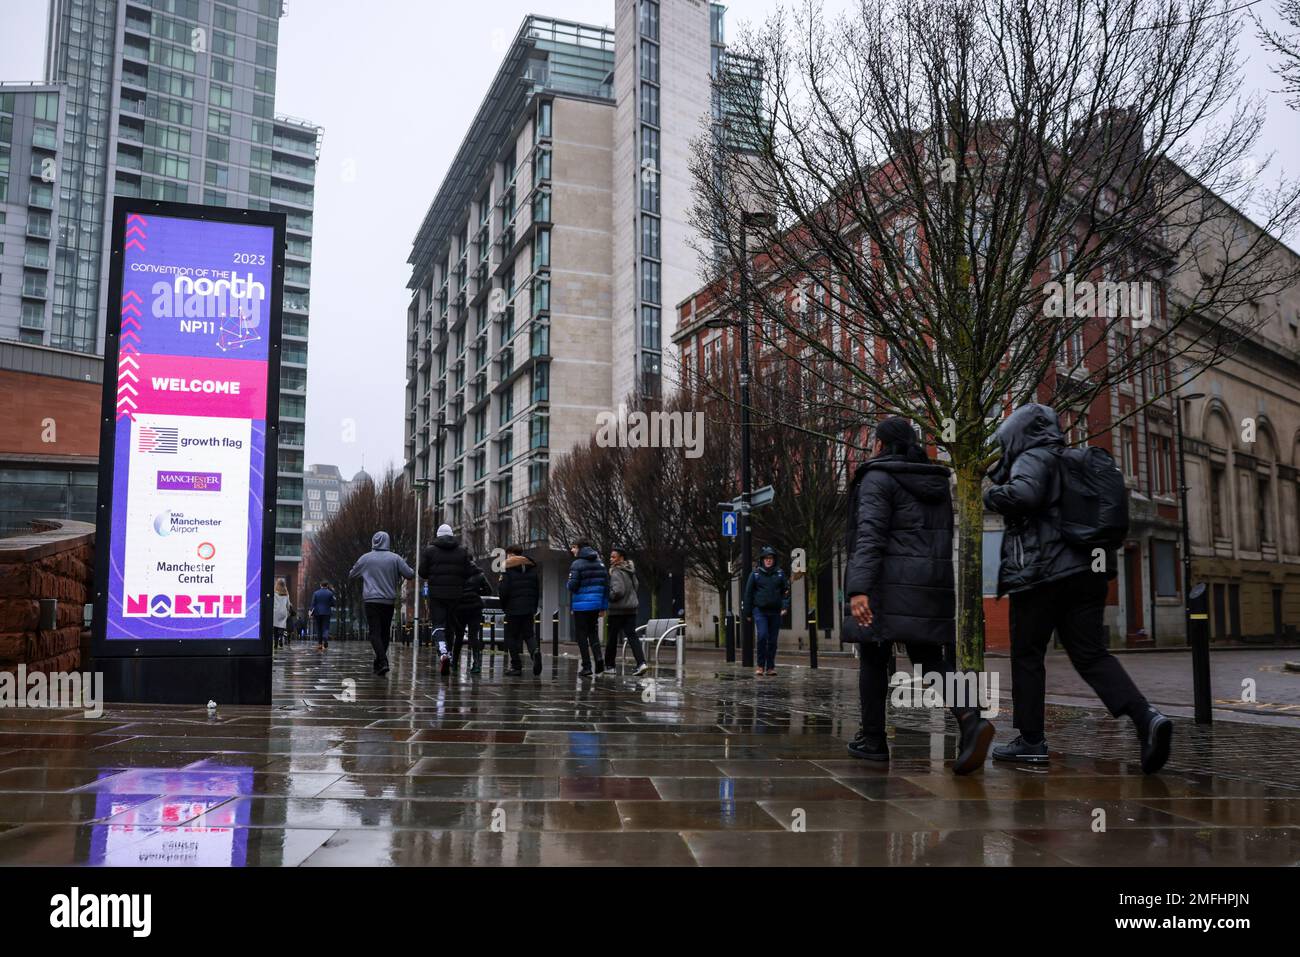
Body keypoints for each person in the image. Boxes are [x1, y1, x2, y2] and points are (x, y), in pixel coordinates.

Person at [984, 403, 1173, 774]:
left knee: (1027, 654)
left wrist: (992, 495)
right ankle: (1145, 717)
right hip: (1087, 572)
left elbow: (1024, 495)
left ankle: (1031, 741)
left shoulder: (1032, 457)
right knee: (1091, 655)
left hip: (1043, 574)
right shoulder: (1073, 461)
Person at [843, 417, 994, 773]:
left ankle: (873, 739)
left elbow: (870, 534)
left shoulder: (877, 478)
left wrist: (859, 587)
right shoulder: (935, 481)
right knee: (928, 658)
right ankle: (971, 717)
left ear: (881, 445)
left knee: (873, 656)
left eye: (873, 442)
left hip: (887, 581)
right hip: (928, 582)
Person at [349, 530, 415, 676]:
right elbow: (410, 574)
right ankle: (379, 662)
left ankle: (382, 660)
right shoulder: (395, 558)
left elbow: (352, 574)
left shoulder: (366, 559)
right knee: (385, 632)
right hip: (388, 601)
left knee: (374, 632)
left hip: (371, 600)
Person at [420, 523, 481, 675]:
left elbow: (422, 572)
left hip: (437, 594)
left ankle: (443, 652)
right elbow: (468, 572)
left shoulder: (430, 551)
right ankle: (450, 654)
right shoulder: (462, 551)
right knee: (450, 625)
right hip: (455, 595)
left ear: (438, 535)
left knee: (438, 624)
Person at [743, 546, 790, 676]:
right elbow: (748, 594)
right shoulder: (755, 574)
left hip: (775, 611)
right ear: (762, 560)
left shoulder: (780, 574)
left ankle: (770, 667)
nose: (769, 561)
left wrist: (785, 607)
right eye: (766, 558)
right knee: (762, 636)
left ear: (774, 560)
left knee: (773, 640)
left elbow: (785, 592)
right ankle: (760, 665)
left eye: (771, 558)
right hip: (760, 611)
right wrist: (747, 613)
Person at [566, 540, 609, 677]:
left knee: (581, 636)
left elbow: (572, 585)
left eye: (573, 547)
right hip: (595, 605)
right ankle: (599, 658)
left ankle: (587, 666)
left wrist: (568, 583)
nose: (572, 550)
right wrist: (603, 607)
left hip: (581, 606)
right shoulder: (600, 563)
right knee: (593, 633)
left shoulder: (577, 564)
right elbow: (605, 587)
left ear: (579, 548)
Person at [499, 545, 543, 676]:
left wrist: (504, 606)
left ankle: (516, 666)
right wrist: (533, 607)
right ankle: (535, 652)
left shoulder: (507, 569)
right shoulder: (532, 569)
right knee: (529, 635)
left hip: (513, 608)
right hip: (528, 608)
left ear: (511, 554)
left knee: (511, 637)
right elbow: (536, 590)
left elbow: (503, 591)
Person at [604, 546, 648, 676]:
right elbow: (636, 586)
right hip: (631, 609)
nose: (611, 559)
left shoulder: (616, 571)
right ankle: (641, 663)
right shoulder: (630, 570)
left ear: (621, 558)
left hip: (617, 610)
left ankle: (610, 666)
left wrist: (609, 596)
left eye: (613, 557)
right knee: (633, 637)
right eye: (610, 556)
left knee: (612, 638)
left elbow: (618, 591)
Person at [452, 565, 491, 674]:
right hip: (475, 607)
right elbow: (488, 590)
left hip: (460, 607)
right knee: (473, 636)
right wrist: (476, 592)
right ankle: (477, 664)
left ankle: (454, 663)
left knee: (459, 636)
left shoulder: (456, 574)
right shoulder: (479, 575)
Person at [310, 581, 335, 651]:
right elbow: (333, 604)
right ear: (327, 585)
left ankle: (320, 644)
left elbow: (313, 603)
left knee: (319, 628)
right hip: (327, 612)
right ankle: (325, 639)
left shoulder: (316, 593)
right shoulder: (330, 593)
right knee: (326, 627)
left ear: (320, 585)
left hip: (317, 613)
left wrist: (310, 612)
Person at [272, 578, 292, 649]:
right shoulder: (286, 594)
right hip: (283, 611)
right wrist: (289, 610)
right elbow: (288, 604)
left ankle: (275, 643)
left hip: (275, 611)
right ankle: (281, 637)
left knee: (275, 628)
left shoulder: (274, 593)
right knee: (281, 627)